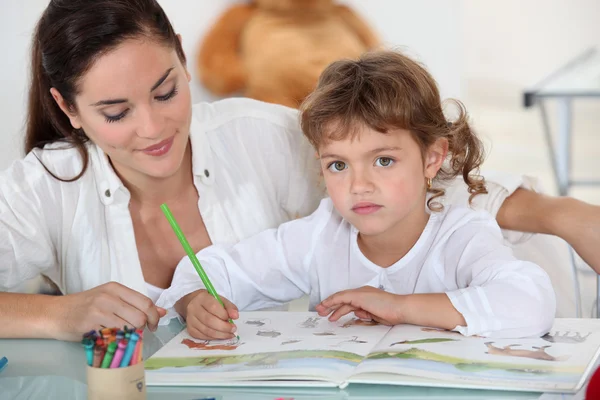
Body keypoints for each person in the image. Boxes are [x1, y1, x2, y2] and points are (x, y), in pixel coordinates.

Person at [0, 0, 595, 342]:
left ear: (183, 57)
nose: (153, 128)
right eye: (115, 111)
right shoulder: (41, 188)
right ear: (67, 108)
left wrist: (560, 214)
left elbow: (412, 173)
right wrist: (58, 315)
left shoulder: (261, 135)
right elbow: (211, 274)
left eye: (166, 91)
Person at [157, 50, 556, 340]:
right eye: (338, 165)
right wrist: (194, 301)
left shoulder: (463, 235)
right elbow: (215, 269)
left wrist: (397, 307)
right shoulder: (321, 235)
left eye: (383, 161)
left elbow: (531, 301)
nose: (358, 185)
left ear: (432, 158)